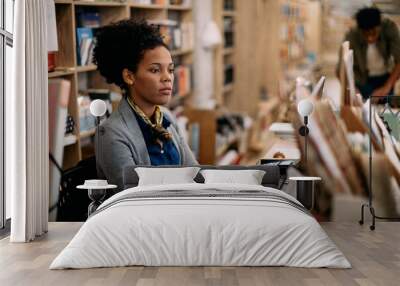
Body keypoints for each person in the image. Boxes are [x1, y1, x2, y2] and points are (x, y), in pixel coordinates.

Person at [92, 19, 198, 191]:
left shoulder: (166, 117)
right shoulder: (110, 133)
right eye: (155, 70)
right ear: (129, 76)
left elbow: (196, 174)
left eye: (170, 70)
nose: (168, 78)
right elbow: (134, 196)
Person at [336, 7, 400, 100]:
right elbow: (340, 69)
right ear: (360, 30)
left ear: (380, 27)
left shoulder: (390, 28)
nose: (370, 38)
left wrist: (387, 86)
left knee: (386, 109)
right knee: (363, 108)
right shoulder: (352, 35)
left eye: (374, 33)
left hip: (385, 78)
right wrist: (352, 89)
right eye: (366, 34)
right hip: (362, 80)